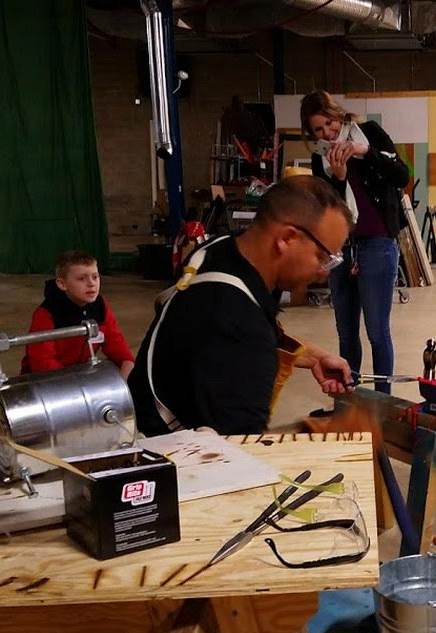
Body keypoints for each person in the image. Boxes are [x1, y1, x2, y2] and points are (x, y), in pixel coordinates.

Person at [127, 175, 354, 437]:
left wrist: (312, 355)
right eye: (323, 257)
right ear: (287, 238)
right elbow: (238, 459)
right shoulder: (240, 330)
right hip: (167, 459)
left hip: (141, 415)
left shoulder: (218, 250)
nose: (324, 273)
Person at [301, 90, 409, 394]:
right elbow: (326, 207)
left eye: (329, 124)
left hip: (377, 244)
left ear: (338, 114)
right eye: (319, 130)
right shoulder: (320, 157)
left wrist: (365, 152)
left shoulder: (370, 134)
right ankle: (352, 400)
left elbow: (401, 175)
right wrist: (338, 176)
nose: (328, 133)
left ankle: (381, 404)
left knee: (377, 331)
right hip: (341, 248)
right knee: (346, 335)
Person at [21, 250, 134, 378]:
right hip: (45, 384)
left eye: (95, 277)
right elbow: (42, 364)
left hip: (80, 378)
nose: (91, 284)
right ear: (62, 284)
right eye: (81, 279)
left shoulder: (100, 305)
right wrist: (79, 387)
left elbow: (118, 347)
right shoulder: (46, 314)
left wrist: (125, 378)